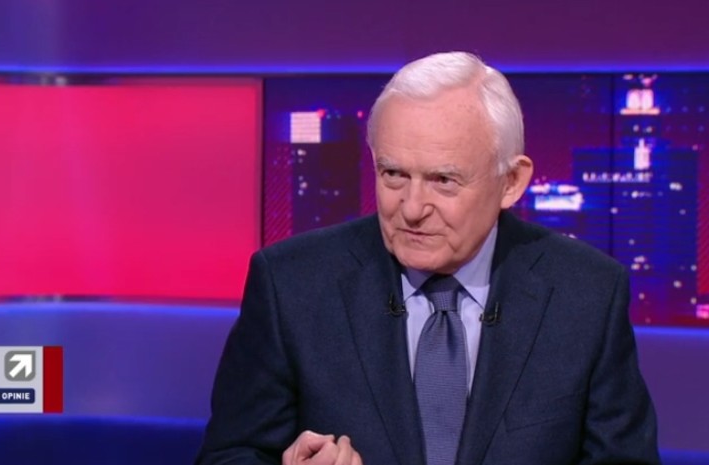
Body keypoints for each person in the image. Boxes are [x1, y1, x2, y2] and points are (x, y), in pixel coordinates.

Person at [196, 51, 660, 465]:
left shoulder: (586, 294)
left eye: (443, 180)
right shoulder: (291, 284)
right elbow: (230, 454)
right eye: (393, 174)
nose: (413, 208)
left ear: (511, 182)